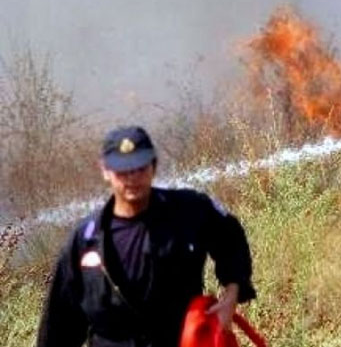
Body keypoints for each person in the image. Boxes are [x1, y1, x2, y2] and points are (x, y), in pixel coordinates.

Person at [36, 126, 256, 347]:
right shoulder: (85, 240)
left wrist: (232, 293)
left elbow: (231, 239)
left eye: (140, 168)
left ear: (154, 165)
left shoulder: (189, 211)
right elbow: (60, 321)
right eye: (123, 171)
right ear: (105, 170)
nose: (132, 178)